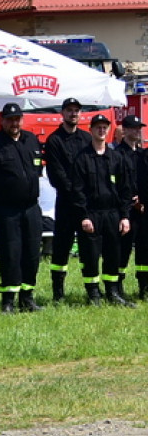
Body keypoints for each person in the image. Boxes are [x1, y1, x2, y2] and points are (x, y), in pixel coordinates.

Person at [0, 102, 45, 313]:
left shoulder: (31, 140)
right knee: (10, 254)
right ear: (2, 121)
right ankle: (8, 300)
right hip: (7, 210)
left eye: (17, 119)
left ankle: (27, 296)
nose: (14, 123)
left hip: (32, 207)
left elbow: (37, 170)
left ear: (22, 120)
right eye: (10, 119)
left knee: (32, 253)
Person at [72, 114, 135, 306]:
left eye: (104, 127)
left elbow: (125, 190)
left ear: (109, 130)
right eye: (97, 127)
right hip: (91, 214)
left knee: (113, 254)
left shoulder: (116, 158)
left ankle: (112, 292)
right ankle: (93, 294)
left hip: (112, 214)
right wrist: (83, 216)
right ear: (90, 130)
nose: (101, 130)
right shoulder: (82, 158)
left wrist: (125, 216)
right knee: (90, 256)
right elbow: (77, 190)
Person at [44, 97, 93, 302]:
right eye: (69, 110)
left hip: (85, 205)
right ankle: (58, 293)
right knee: (61, 249)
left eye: (76, 110)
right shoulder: (54, 140)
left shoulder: (86, 138)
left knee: (89, 249)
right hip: (65, 203)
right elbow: (57, 175)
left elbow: (91, 170)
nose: (73, 114)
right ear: (62, 113)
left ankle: (93, 293)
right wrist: (76, 194)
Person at [114, 114, 144, 296]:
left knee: (143, 249)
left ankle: (144, 286)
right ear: (124, 130)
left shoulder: (142, 154)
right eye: (133, 128)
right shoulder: (117, 155)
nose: (137, 131)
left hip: (142, 209)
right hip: (124, 209)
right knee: (122, 249)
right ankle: (117, 286)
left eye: (138, 128)